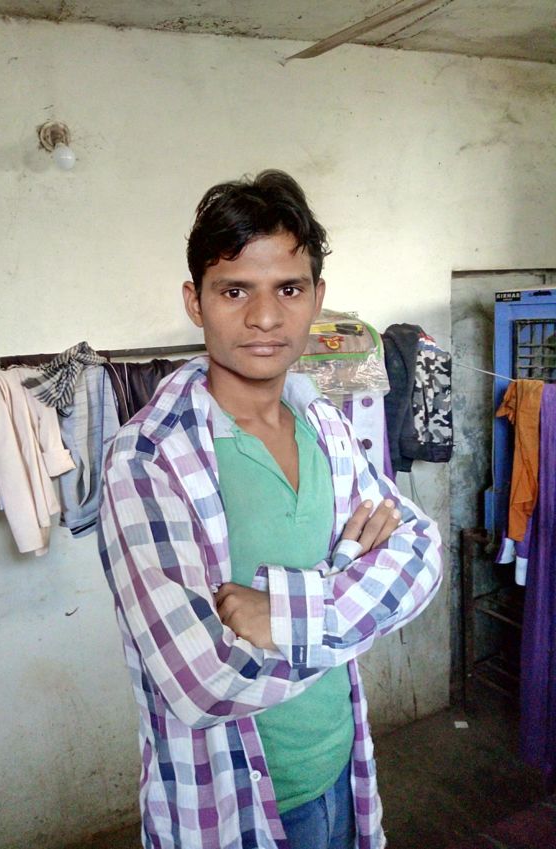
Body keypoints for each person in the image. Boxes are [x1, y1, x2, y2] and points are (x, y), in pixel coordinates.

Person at [98, 170, 443, 849]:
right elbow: (204, 680)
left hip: (344, 767)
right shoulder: (147, 459)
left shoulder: (324, 423)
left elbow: (422, 552)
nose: (264, 317)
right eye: (235, 290)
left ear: (317, 297)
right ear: (195, 301)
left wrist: (282, 614)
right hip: (232, 806)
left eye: (288, 289)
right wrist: (353, 582)